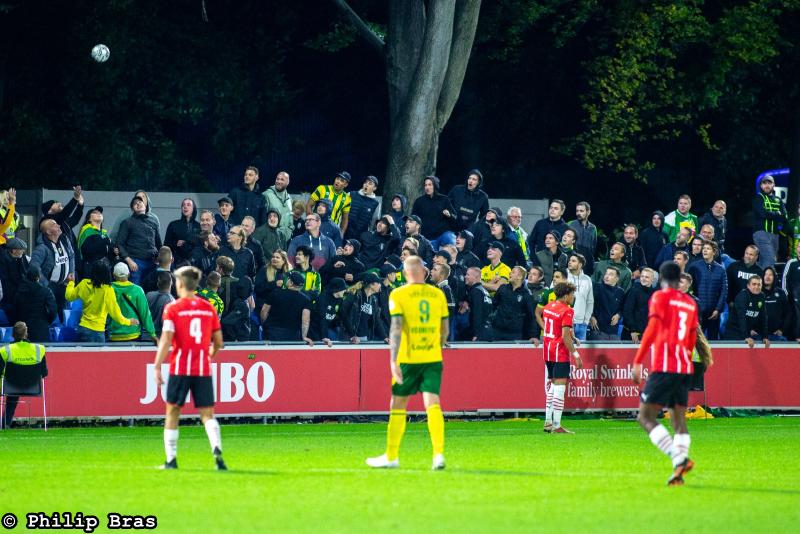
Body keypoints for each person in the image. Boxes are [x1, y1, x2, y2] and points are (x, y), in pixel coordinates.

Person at [632, 261, 712, 486]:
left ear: (661, 279)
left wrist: (638, 360)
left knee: (645, 417)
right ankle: (679, 468)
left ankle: (679, 458)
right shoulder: (690, 303)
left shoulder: (660, 297)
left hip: (665, 366)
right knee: (678, 420)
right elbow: (691, 338)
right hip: (685, 367)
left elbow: (651, 329)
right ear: (679, 280)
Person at [366, 256, 449, 470]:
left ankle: (392, 455)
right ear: (425, 271)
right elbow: (445, 331)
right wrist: (434, 346)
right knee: (433, 403)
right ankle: (438, 455)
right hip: (432, 357)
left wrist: (393, 360)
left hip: (408, 358)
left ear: (405, 273)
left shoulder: (398, 293)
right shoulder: (437, 294)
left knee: (398, 404)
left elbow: (395, 328)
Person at [153, 265, 226, 470]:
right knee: (207, 415)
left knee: (173, 412)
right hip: (202, 368)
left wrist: (157, 366)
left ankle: (171, 459)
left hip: (180, 367)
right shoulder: (208, 308)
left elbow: (166, 340)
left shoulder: (173, 308)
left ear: (181, 284)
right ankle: (216, 448)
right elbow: (219, 342)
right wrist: (207, 357)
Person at [541, 282, 583, 433]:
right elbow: (564, 335)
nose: (573, 297)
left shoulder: (548, 307)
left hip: (547, 350)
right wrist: (576, 355)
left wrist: (573, 336)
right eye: (572, 294)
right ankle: (557, 425)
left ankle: (547, 422)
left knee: (552, 386)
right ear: (566, 296)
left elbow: (561, 328)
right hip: (560, 352)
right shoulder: (567, 310)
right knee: (559, 388)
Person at [65, 261, 137, 343]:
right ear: (107, 274)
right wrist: (128, 322)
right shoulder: (108, 290)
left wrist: (71, 282)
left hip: (83, 329)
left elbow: (69, 296)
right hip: (98, 333)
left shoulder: (84, 284)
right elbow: (115, 314)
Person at [0, 322, 48, 428]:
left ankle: (5, 423)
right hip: (33, 387)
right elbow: (44, 373)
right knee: (15, 385)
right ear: (26, 334)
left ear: (13, 334)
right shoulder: (39, 349)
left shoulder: (5, 350)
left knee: (12, 389)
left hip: (10, 387)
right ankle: (5, 423)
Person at [31, 218, 76, 314]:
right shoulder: (42, 248)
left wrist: (71, 272)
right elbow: (34, 266)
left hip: (64, 284)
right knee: (51, 313)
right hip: (50, 286)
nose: (59, 226)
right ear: (48, 231)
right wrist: (45, 283)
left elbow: (71, 255)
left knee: (63, 313)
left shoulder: (64, 240)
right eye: (54, 225)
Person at [483, 266, 536, 342]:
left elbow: (531, 317)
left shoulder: (526, 294)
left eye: (513, 272)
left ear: (519, 276)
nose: (510, 273)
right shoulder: (502, 288)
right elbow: (493, 306)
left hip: (514, 333)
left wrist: (533, 335)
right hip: (497, 330)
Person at [117, 196, 161, 286]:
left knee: (150, 291)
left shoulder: (153, 222)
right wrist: (129, 261)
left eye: (140, 202)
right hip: (136, 264)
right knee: (136, 291)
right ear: (132, 209)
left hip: (152, 263)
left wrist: (159, 258)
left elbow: (159, 243)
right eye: (135, 204)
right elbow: (119, 244)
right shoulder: (127, 222)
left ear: (145, 206)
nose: (138, 204)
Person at [686, 241, 727, 340]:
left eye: (708, 249)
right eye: (704, 248)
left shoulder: (721, 269)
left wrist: (717, 309)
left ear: (714, 252)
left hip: (714, 313)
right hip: (698, 312)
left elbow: (724, 291)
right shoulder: (694, 266)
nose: (704, 250)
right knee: (695, 341)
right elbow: (689, 288)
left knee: (713, 341)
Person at [109, 262, 156, 343]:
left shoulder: (108, 289)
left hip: (114, 335)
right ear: (128, 274)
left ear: (114, 275)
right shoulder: (138, 290)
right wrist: (152, 334)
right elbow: (145, 314)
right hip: (134, 335)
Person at [13, 266, 57, 342]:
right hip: (41, 331)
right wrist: (46, 321)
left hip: (23, 332)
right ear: (38, 277)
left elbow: (15, 311)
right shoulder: (46, 292)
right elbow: (53, 310)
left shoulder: (19, 292)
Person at [340, 272, 388, 343]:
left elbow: (377, 320)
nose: (380, 285)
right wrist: (352, 335)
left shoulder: (374, 300)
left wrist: (385, 337)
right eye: (378, 283)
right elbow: (343, 313)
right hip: (350, 337)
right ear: (371, 285)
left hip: (364, 337)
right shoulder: (355, 295)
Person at [412, 176, 457, 250]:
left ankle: (453, 260)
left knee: (450, 237)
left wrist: (449, 215)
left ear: (435, 186)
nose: (427, 187)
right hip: (427, 237)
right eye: (425, 185)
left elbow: (455, 216)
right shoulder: (419, 201)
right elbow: (414, 218)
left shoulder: (444, 199)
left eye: (430, 185)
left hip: (442, 234)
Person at [752, 174, 787, 269]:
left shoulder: (778, 200)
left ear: (773, 185)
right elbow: (763, 213)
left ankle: (757, 280)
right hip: (761, 233)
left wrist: (772, 214)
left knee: (764, 262)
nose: (767, 185)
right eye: (764, 183)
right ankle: (768, 283)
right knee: (770, 260)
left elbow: (784, 217)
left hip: (775, 235)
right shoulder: (758, 198)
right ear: (761, 186)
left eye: (769, 183)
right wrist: (777, 213)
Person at [725, 275, 770, 348]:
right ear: (748, 286)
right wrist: (745, 336)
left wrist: (765, 336)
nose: (756, 287)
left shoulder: (761, 296)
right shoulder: (742, 296)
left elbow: (763, 317)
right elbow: (741, 317)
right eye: (754, 284)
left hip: (746, 332)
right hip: (734, 332)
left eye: (759, 284)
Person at [41, 185, 84, 254]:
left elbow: (75, 219)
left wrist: (80, 205)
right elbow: (64, 214)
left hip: (72, 254)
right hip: (59, 255)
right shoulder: (46, 220)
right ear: (48, 210)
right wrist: (75, 198)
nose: (59, 203)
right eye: (55, 202)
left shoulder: (63, 221)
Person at [308, 171, 352, 236]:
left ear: (346, 185)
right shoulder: (322, 189)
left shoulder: (347, 199)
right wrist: (310, 222)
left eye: (342, 180)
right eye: (337, 178)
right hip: (316, 227)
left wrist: (341, 234)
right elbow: (309, 205)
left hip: (331, 232)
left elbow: (345, 219)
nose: (338, 181)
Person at [589, 267, 625, 340]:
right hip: (597, 329)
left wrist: (618, 315)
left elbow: (623, 308)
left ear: (616, 279)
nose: (607, 276)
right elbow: (588, 303)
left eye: (611, 274)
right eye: (606, 273)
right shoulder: (596, 287)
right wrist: (591, 316)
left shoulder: (620, 292)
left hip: (613, 331)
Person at [77, 206, 115, 274]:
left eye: (100, 213)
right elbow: (87, 251)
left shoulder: (103, 233)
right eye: (95, 212)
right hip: (91, 268)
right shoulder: (86, 231)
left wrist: (114, 250)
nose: (99, 213)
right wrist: (105, 241)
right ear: (89, 219)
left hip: (105, 267)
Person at [622, 267, 656, 343]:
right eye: (642, 276)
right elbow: (627, 311)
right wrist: (632, 330)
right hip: (631, 334)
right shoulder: (634, 290)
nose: (643, 279)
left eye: (647, 277)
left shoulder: (655, 294)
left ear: (652, 279)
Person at [309, 277, 347, 344]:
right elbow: (322, 318)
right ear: (337, 289)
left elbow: (344, 317)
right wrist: (324, 336)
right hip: (315, 329)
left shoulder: (340, 299)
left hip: (328, 327)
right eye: (343, 289)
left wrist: (353, 335)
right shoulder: (323, 298)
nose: (345, 291)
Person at [164, 198, 200, 266]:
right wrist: (176, 244)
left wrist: (188, 243)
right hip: (176, 262)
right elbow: (166, 245)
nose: (185, 206)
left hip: (194, 263)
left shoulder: (199, 226)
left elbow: (201, 246)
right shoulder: (173, 224)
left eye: (188, 205)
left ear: (193, 209)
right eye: (183, 205)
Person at [0, 238, 30, 319]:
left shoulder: (22, 258)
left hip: (20, 297)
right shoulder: (3, 261)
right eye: (21, 249)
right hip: (8, 299)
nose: (23, 251)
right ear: (13, 250)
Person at [345, 175, 381, 241]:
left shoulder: (376, 204)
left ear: (374, 188)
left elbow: (373, 223)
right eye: (365, 182)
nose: (366, 185)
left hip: (360, 237)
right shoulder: (351, 194)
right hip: (345, 233)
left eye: (370, 183)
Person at [566, 254, 593, 341]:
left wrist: (586, 320)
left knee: (580, 353)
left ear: (580, 264)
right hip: (566, 324)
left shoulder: (587, 279)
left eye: (573, 261)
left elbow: (590, 301)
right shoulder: (564, 277)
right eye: (569, 260)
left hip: (582, 325)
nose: (569, 262)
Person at [462, 266, 493, 341]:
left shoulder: (476, 291)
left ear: (476, 277)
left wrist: (476, 334)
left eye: (468, 274)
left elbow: (477, 313)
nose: (465, 276)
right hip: (487, 329)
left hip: (480, 332)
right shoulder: (483, 290)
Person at [568, 201, 597, 274]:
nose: (578, 213)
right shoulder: (571, 225)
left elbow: (593, 246)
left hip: (587, 264)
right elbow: (565, 243)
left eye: (581, 211)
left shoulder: (593, 228)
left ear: (588, 212)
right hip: (573, 262)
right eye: (577, 211)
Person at [762, 267, 790, 341]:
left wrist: (781, 330)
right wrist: (751, 329)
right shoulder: (757, 292)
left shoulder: (781, 293)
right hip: (759, 335)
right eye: (765, 274)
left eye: (770, 275)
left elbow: (788, 314)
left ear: (774, 277)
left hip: (776, 335)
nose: (767, 277)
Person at [263, 171, 294, 236]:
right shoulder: (266, 195)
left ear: (288, 182)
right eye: (277, 179)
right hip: (271, 238)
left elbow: (290, 216)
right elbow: (262, 218)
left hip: (286, 239)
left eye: (282, 179)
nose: (279, 181)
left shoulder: (289, 198)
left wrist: (290, 230)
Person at [146, 271, 176, 339]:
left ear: (158, 283)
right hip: (160, 337)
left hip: (146, 336)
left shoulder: (148, 295)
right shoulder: (172, 302)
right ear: (171, 283)